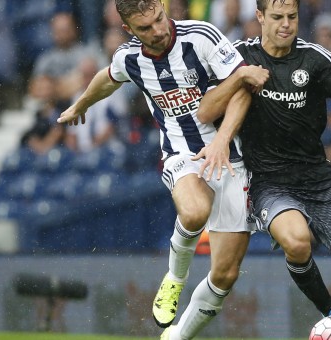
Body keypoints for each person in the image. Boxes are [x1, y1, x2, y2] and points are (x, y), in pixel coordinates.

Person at [55, 1, 269, 340]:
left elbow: (243, 88)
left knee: (225, 274)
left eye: (159, 18)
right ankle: (174, 277)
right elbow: (108, 78)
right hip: (181, 152)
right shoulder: (131, 58)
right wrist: (80, 104)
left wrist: (222, 139)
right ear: (128, 30)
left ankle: (178, 335)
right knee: (196, 211)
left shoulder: (202, 36)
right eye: (145, 28)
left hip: (232, 156)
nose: (158, 30)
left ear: (163, 7)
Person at [194, 1, 331, 338]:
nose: (286, 24)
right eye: (277, 17)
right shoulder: (236, 56)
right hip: (267, 181)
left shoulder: (315, 58)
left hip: (319, 178)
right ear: (259, 17)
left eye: (292, 17)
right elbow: (204, 110)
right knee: (298, 243)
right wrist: (240, 76)